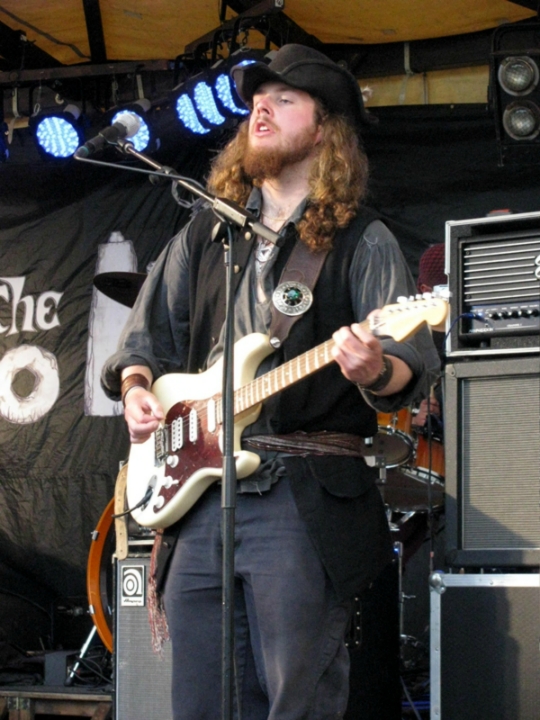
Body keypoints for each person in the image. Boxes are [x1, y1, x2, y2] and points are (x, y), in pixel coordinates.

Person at [102, 44, 440, 720]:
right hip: (201, 501)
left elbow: (411, 359)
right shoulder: (206, 234)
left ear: (326, 130)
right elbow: (144, 340)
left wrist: (378, 367)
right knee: (200, 700)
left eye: (285, 99)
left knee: (298, 700)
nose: (262, 107)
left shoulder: (359, 238)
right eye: (258, 99)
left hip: (301, 496)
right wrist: (140, 387)